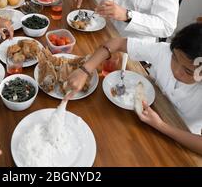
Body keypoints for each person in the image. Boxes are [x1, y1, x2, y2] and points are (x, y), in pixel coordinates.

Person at [65, 23, 202, 155]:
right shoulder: (165, 51)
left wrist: (160, 125)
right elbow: (117, 43)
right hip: (141, 120)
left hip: (179, 145)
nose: (177, 72)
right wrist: (84, 70)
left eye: (188, 71)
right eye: (175, 58)